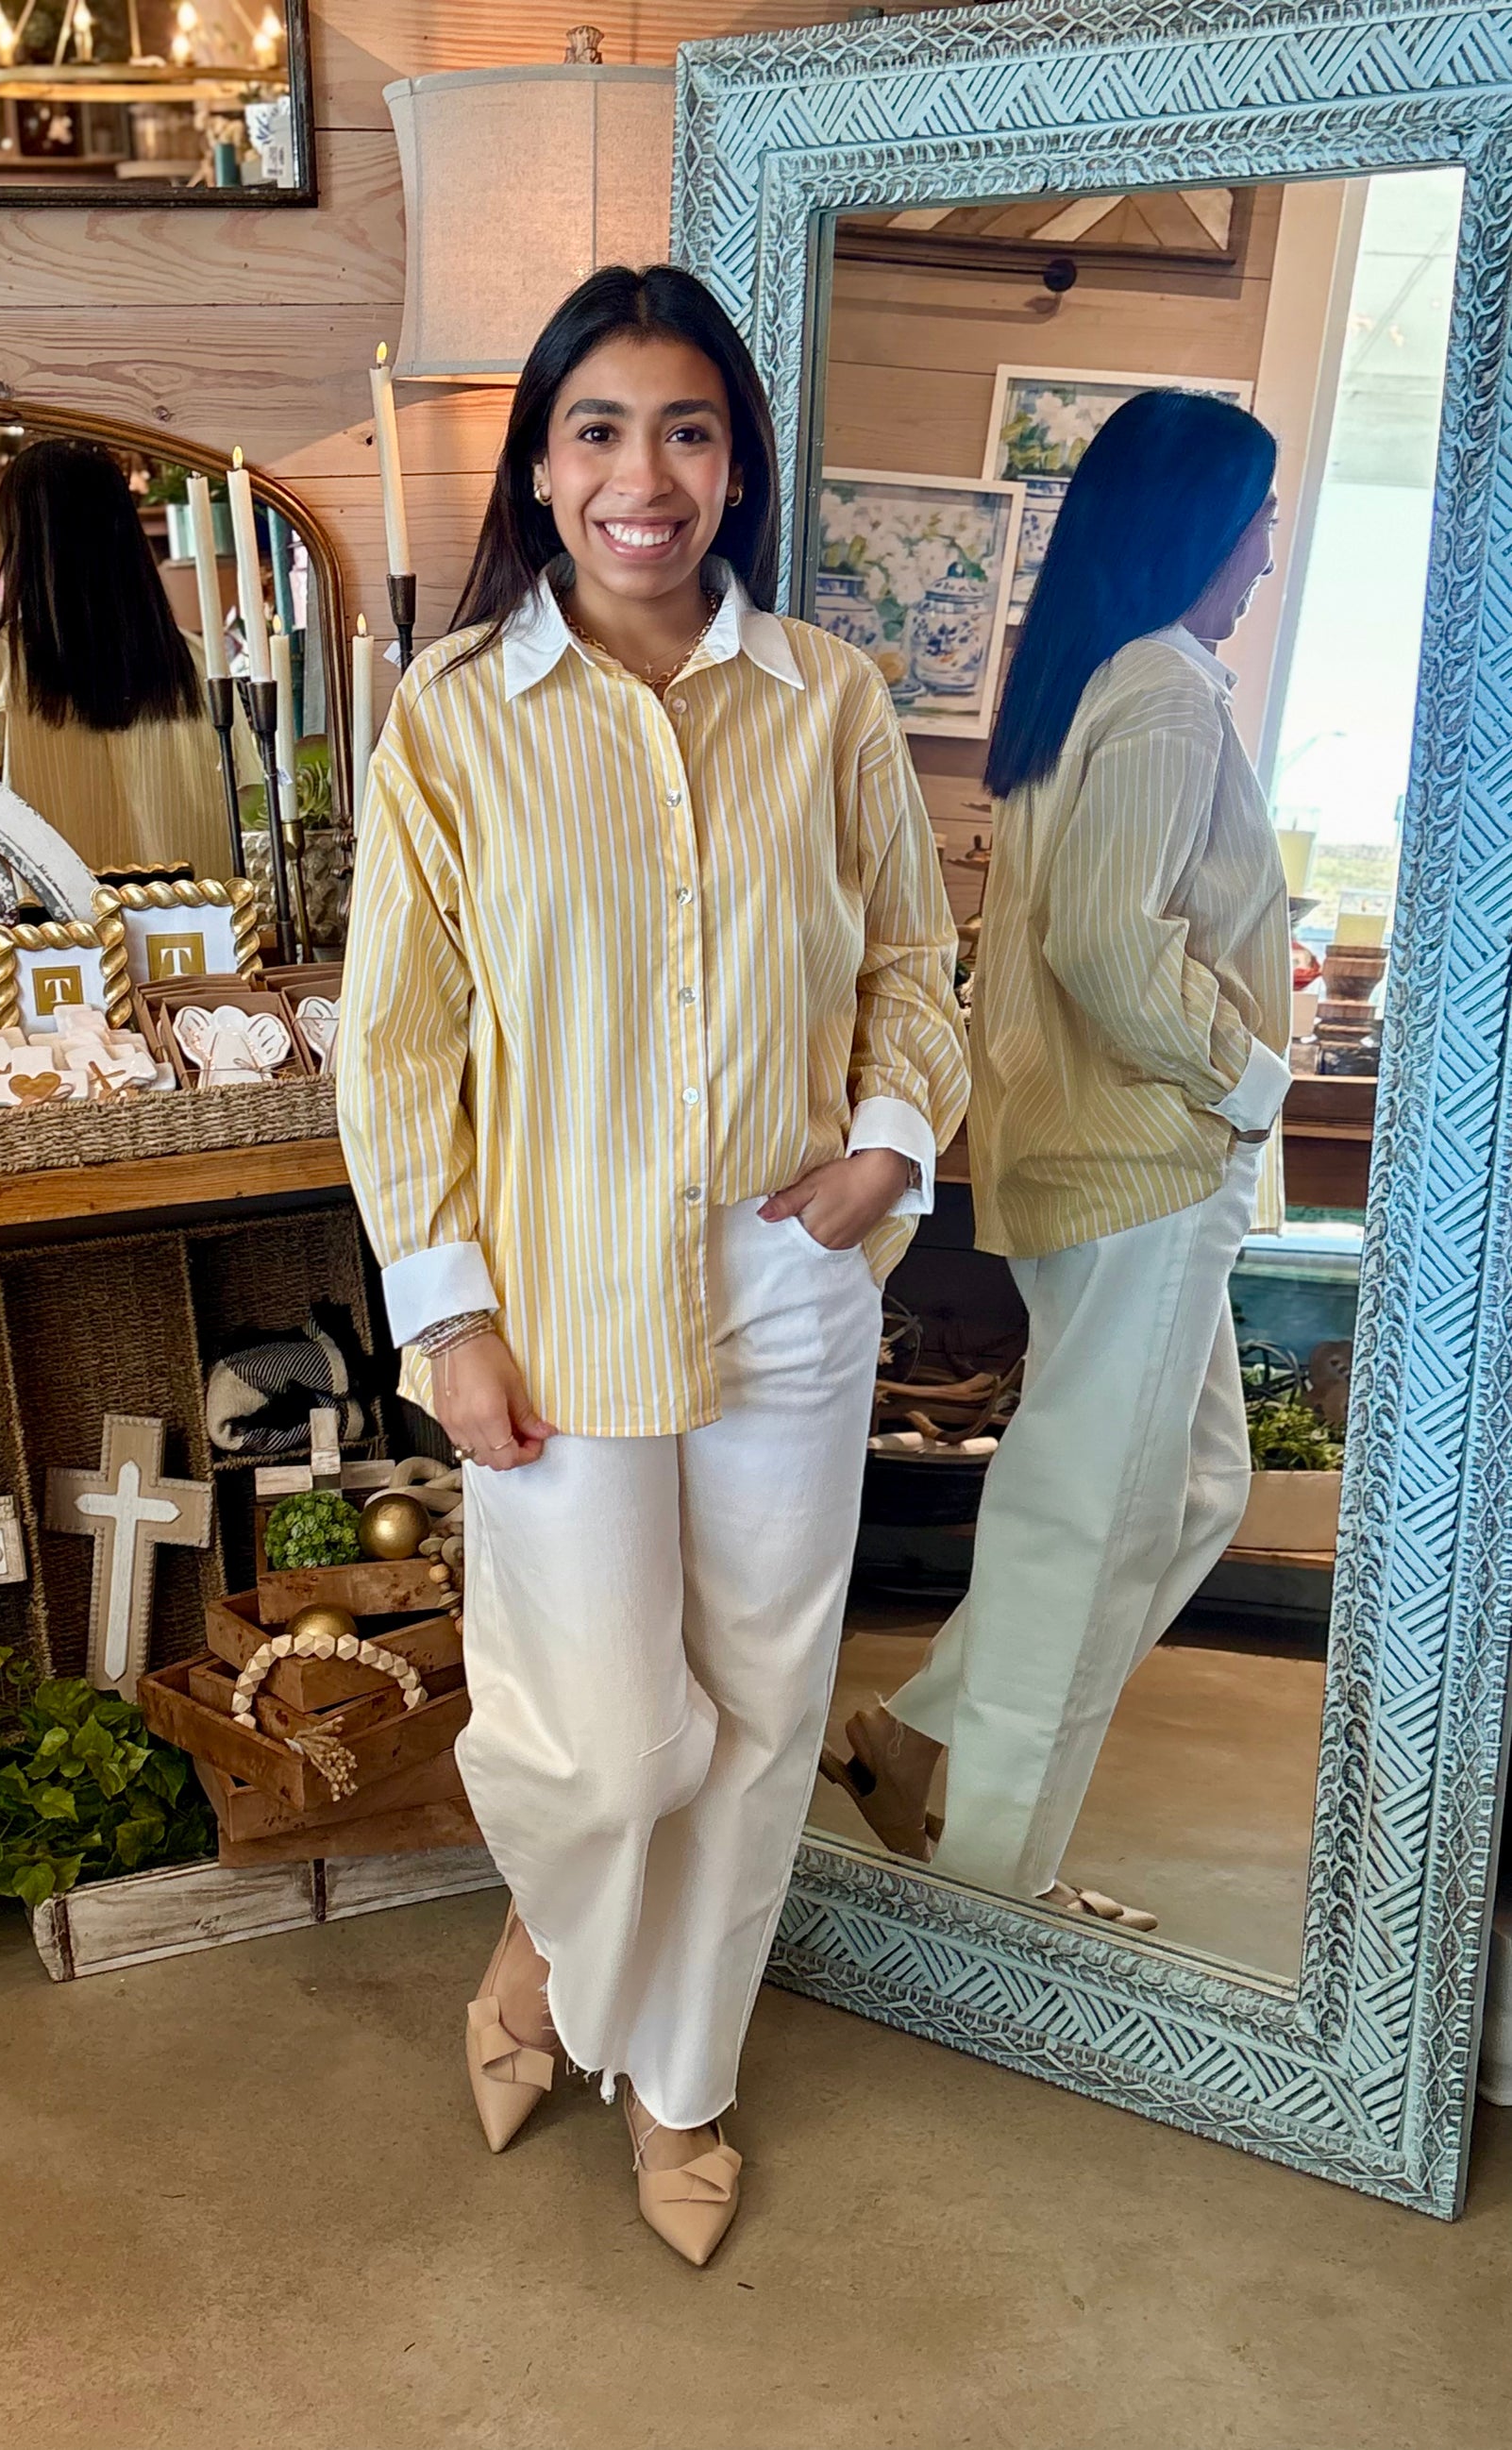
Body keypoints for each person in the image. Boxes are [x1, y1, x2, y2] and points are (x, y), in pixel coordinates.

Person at [336, 264, 967, 2265]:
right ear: (538, 467)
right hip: (557, 1301)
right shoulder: (453, 721)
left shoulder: (829, 698)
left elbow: (911, 961)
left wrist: (886, 1149)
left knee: (762, 1719)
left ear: (736, 464)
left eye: (687, 430)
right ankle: (546, 1938)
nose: (644, 474)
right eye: (598, 429)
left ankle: (680, 2075)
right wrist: (446, 1316)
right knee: (611, 1745)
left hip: (790, 1276)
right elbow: (397, 1047)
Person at [829, 389, 1289, 1925]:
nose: (1268, 547)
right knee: (1091, 1516)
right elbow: (1106, 942)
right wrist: (1250, 1073)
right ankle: (992, 1875)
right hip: (1146, 1154)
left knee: (1189, 1486)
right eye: (1257, 516)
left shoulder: (1098, 670)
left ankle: (915, 1734)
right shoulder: (1162, 689)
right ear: (1198, 526)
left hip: (1094, 1150)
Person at [0, 436, 252, 879]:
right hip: (195, 922)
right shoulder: (198, 663)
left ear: (19, 539)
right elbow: (251, 820)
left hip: (55, 926)